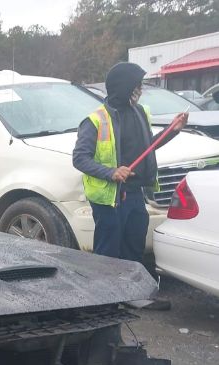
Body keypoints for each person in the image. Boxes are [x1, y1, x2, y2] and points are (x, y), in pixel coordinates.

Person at [73, 62, 188, 309]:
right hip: (109, 197)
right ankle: (104, 300)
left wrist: (173, 131)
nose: (140, 90)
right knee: (109, 249)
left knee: (134, 243)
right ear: (124, 87)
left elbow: (148, 146)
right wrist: (111, 172)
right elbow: (79, 158)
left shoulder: (140, 112)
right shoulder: (95, 120)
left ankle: (132, 296)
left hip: (135, 192)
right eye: (137, 86)